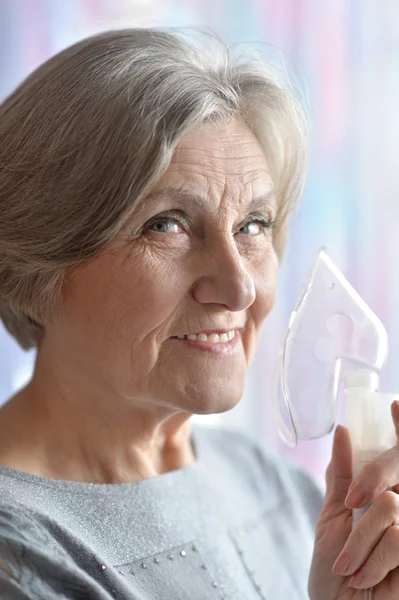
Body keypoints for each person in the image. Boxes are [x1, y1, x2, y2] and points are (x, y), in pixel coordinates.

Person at [0, 28, 398, 600]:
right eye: (167, 224)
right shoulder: (19, 552)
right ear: (40, 260)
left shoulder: (274, 486)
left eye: (253, 226)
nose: (238, 288)